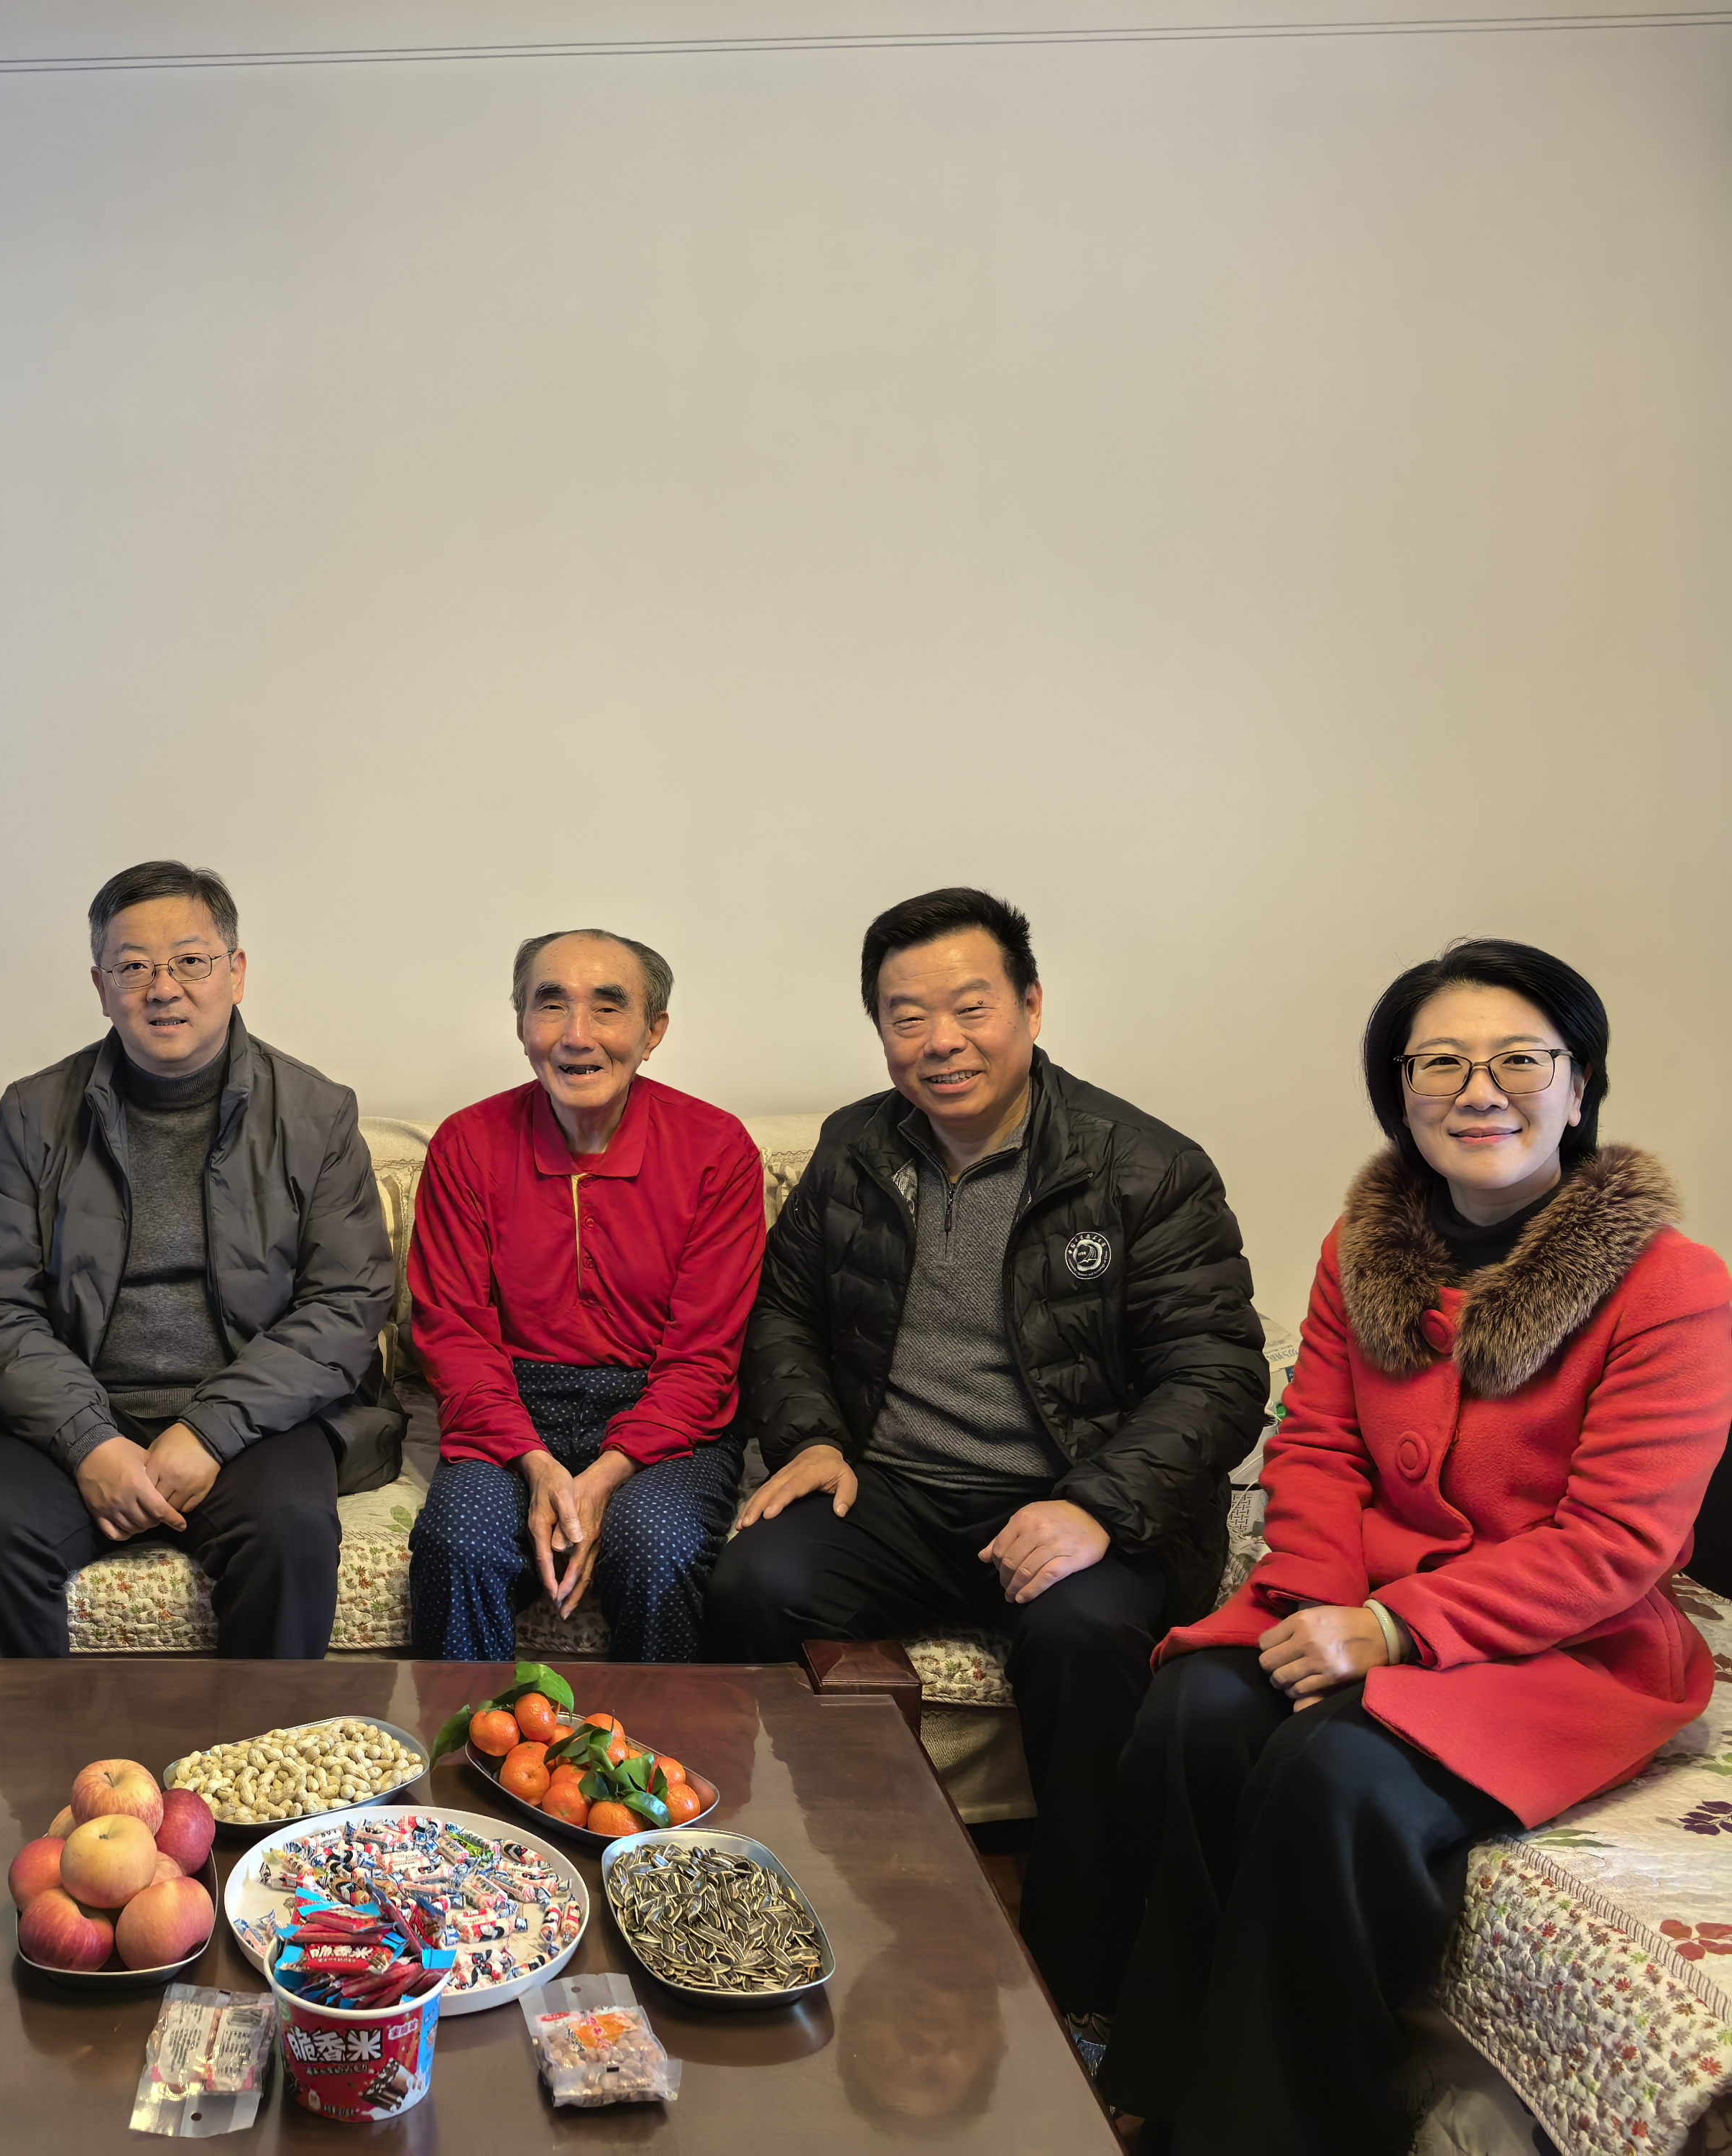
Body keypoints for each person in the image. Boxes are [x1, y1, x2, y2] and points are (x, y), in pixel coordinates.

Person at [1099, 941, 1732, 2155]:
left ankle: (1276, 2132)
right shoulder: (1362, 1248)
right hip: (1361, 1598)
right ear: (1401, 1090)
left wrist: (1394, 1630)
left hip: (1566, 1647)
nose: (1478, 1091)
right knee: (1193, 1713)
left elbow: (1619, 1544)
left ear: (1580, 1087)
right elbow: (1318, 1447)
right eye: (1440, 1062)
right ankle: (1160, 2081)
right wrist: (1320, 1602)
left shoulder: (1672, 1285)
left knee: (1332, 1774)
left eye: (1520, 1061)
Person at [706, 886, 1268, 2025]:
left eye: (971, 1008)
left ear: (1032, 1006)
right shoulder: (857, 1147)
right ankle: (818, 1891)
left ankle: (1080, 1988)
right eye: (906, 1016)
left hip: (1075, 1495)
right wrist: (812, 1437)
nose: (941, 1041)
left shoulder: (1146, 1167)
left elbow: (1217, 1375)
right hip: (896, 1490)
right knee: (755, 1581)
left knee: (1084, 1637)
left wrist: (1097, 1505)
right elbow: (786, 1312)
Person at [0, 860, 397, 1659]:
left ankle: (264, 1745)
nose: (163, 989)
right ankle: (32, 1745)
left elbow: (345, 1304)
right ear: (100, 984)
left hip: (257, 1416)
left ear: (236, 973)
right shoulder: (34, 1112)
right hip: (75, 1404)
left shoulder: (316, 1113)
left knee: (290, 1531)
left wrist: (208, 1432)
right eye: (133, 967)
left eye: (190, 961)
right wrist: (89, 1440)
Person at [405, 930, 765, 1662]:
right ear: (520, 1024)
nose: (576, 1035)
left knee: (657, 1544)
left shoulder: (716, 1149)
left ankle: (658, 1740)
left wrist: (607, 1474)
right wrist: (534, 1461)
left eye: (608, 1008)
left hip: (661, 1407)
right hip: (513, 1402)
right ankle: (470, 1737)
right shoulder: (466, 1145)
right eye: (551, 1005)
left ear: (653, 1031)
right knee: (457, 1542)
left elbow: (704, 1356)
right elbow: (455, 1338)